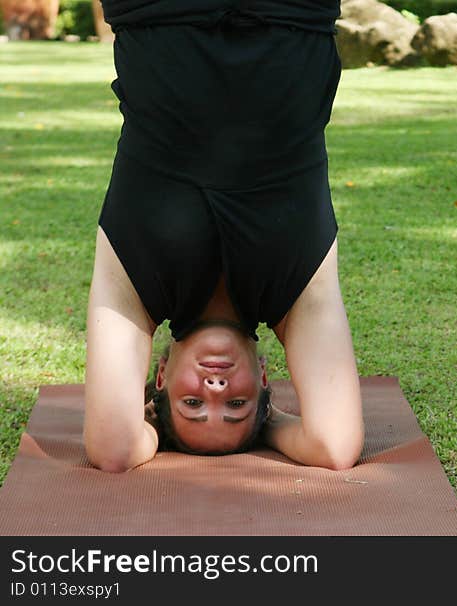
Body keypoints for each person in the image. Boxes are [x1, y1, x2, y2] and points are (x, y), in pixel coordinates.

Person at [84, 1, 364, 472]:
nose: (214, 392)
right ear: (261, 378)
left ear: (160, 378)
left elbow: (114, 449)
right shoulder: (297, 296)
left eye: (191, 406)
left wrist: (151, 425)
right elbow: (332, 448)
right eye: (237, 408)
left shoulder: (135, 289)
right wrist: (268, 422)